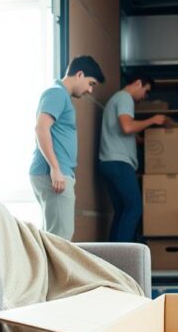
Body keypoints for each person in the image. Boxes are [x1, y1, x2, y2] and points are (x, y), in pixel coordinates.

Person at [29, 56, 105, 240]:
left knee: (54, 238)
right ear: (80, 74)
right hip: (54, 174)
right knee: (60, 239)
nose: (90, 90)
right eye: (90, 83)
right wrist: (56, 169)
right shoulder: (56, 93)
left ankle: (46, 270)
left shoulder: (61, 96)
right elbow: (41, 128)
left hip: (57, 173)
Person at [98, 74, 167, 242]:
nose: (145, 97)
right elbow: (127, 127)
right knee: (134, 207)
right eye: (146, 91)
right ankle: (123, 257)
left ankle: (113, 259)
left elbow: (123, 131)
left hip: (108, 162)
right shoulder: (124, 97)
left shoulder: (116, 99)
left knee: (122, 210)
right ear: (138, 83)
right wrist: (153, 120)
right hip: (119, 163)